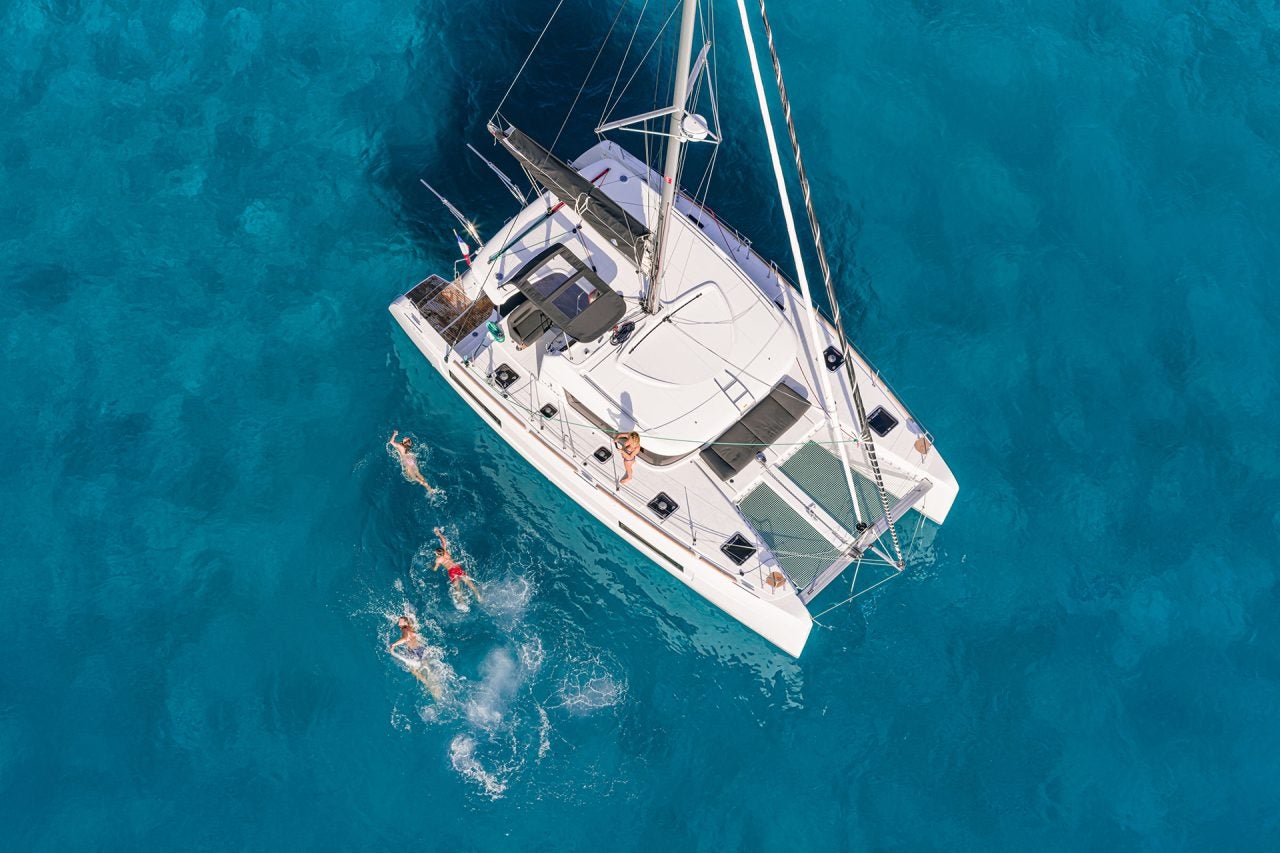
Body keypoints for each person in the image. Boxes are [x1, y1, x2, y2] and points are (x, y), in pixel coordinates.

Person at [387, 615, 441, 699]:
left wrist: (393, 644)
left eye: (400, 621)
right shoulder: (410, 627)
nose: (398, 623)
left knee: (413, 670)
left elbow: (405, 638)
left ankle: (427, 684)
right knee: (428, 668)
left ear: (405, 623)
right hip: (421, 649)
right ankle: (437, 688)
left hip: (414, 652)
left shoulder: (405, 629)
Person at [431, 527, 482, 605]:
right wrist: (439, 534)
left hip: (451, 572)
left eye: (435, 553)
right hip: (457, 568)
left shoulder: (438, 560)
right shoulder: (445, 552)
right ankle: (478, 596)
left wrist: (430, 566)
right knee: (469, 583)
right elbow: (444, 541)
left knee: (457, 589)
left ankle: (462, 604)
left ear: (438, 554)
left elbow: (435, 569)